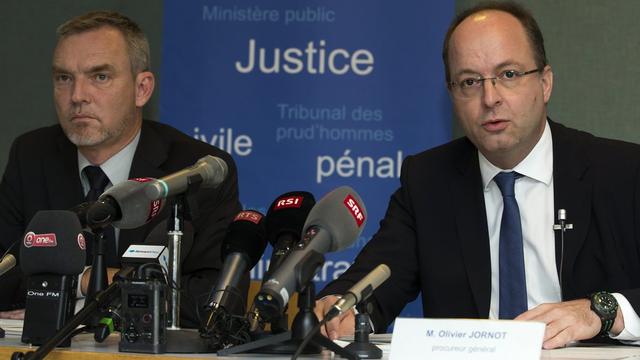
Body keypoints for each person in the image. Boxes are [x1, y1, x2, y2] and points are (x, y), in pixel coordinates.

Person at [315, 1, 640, 349]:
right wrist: (340, 308)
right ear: (453, 96)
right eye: (470, 81)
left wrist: (602, 312)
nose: (490, 98)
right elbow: (372, 286)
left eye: (509, 75)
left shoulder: (622, 172)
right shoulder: (429, 182)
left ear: (544, 83)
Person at [0, 11, 243, 328]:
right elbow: (4, 278)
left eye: (99, 77)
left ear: (142, 88)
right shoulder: (31, 155)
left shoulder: (197, 170)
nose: (78, 96)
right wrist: (109, 284)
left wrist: (89, 283)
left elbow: (212, 301)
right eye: (64, 78)